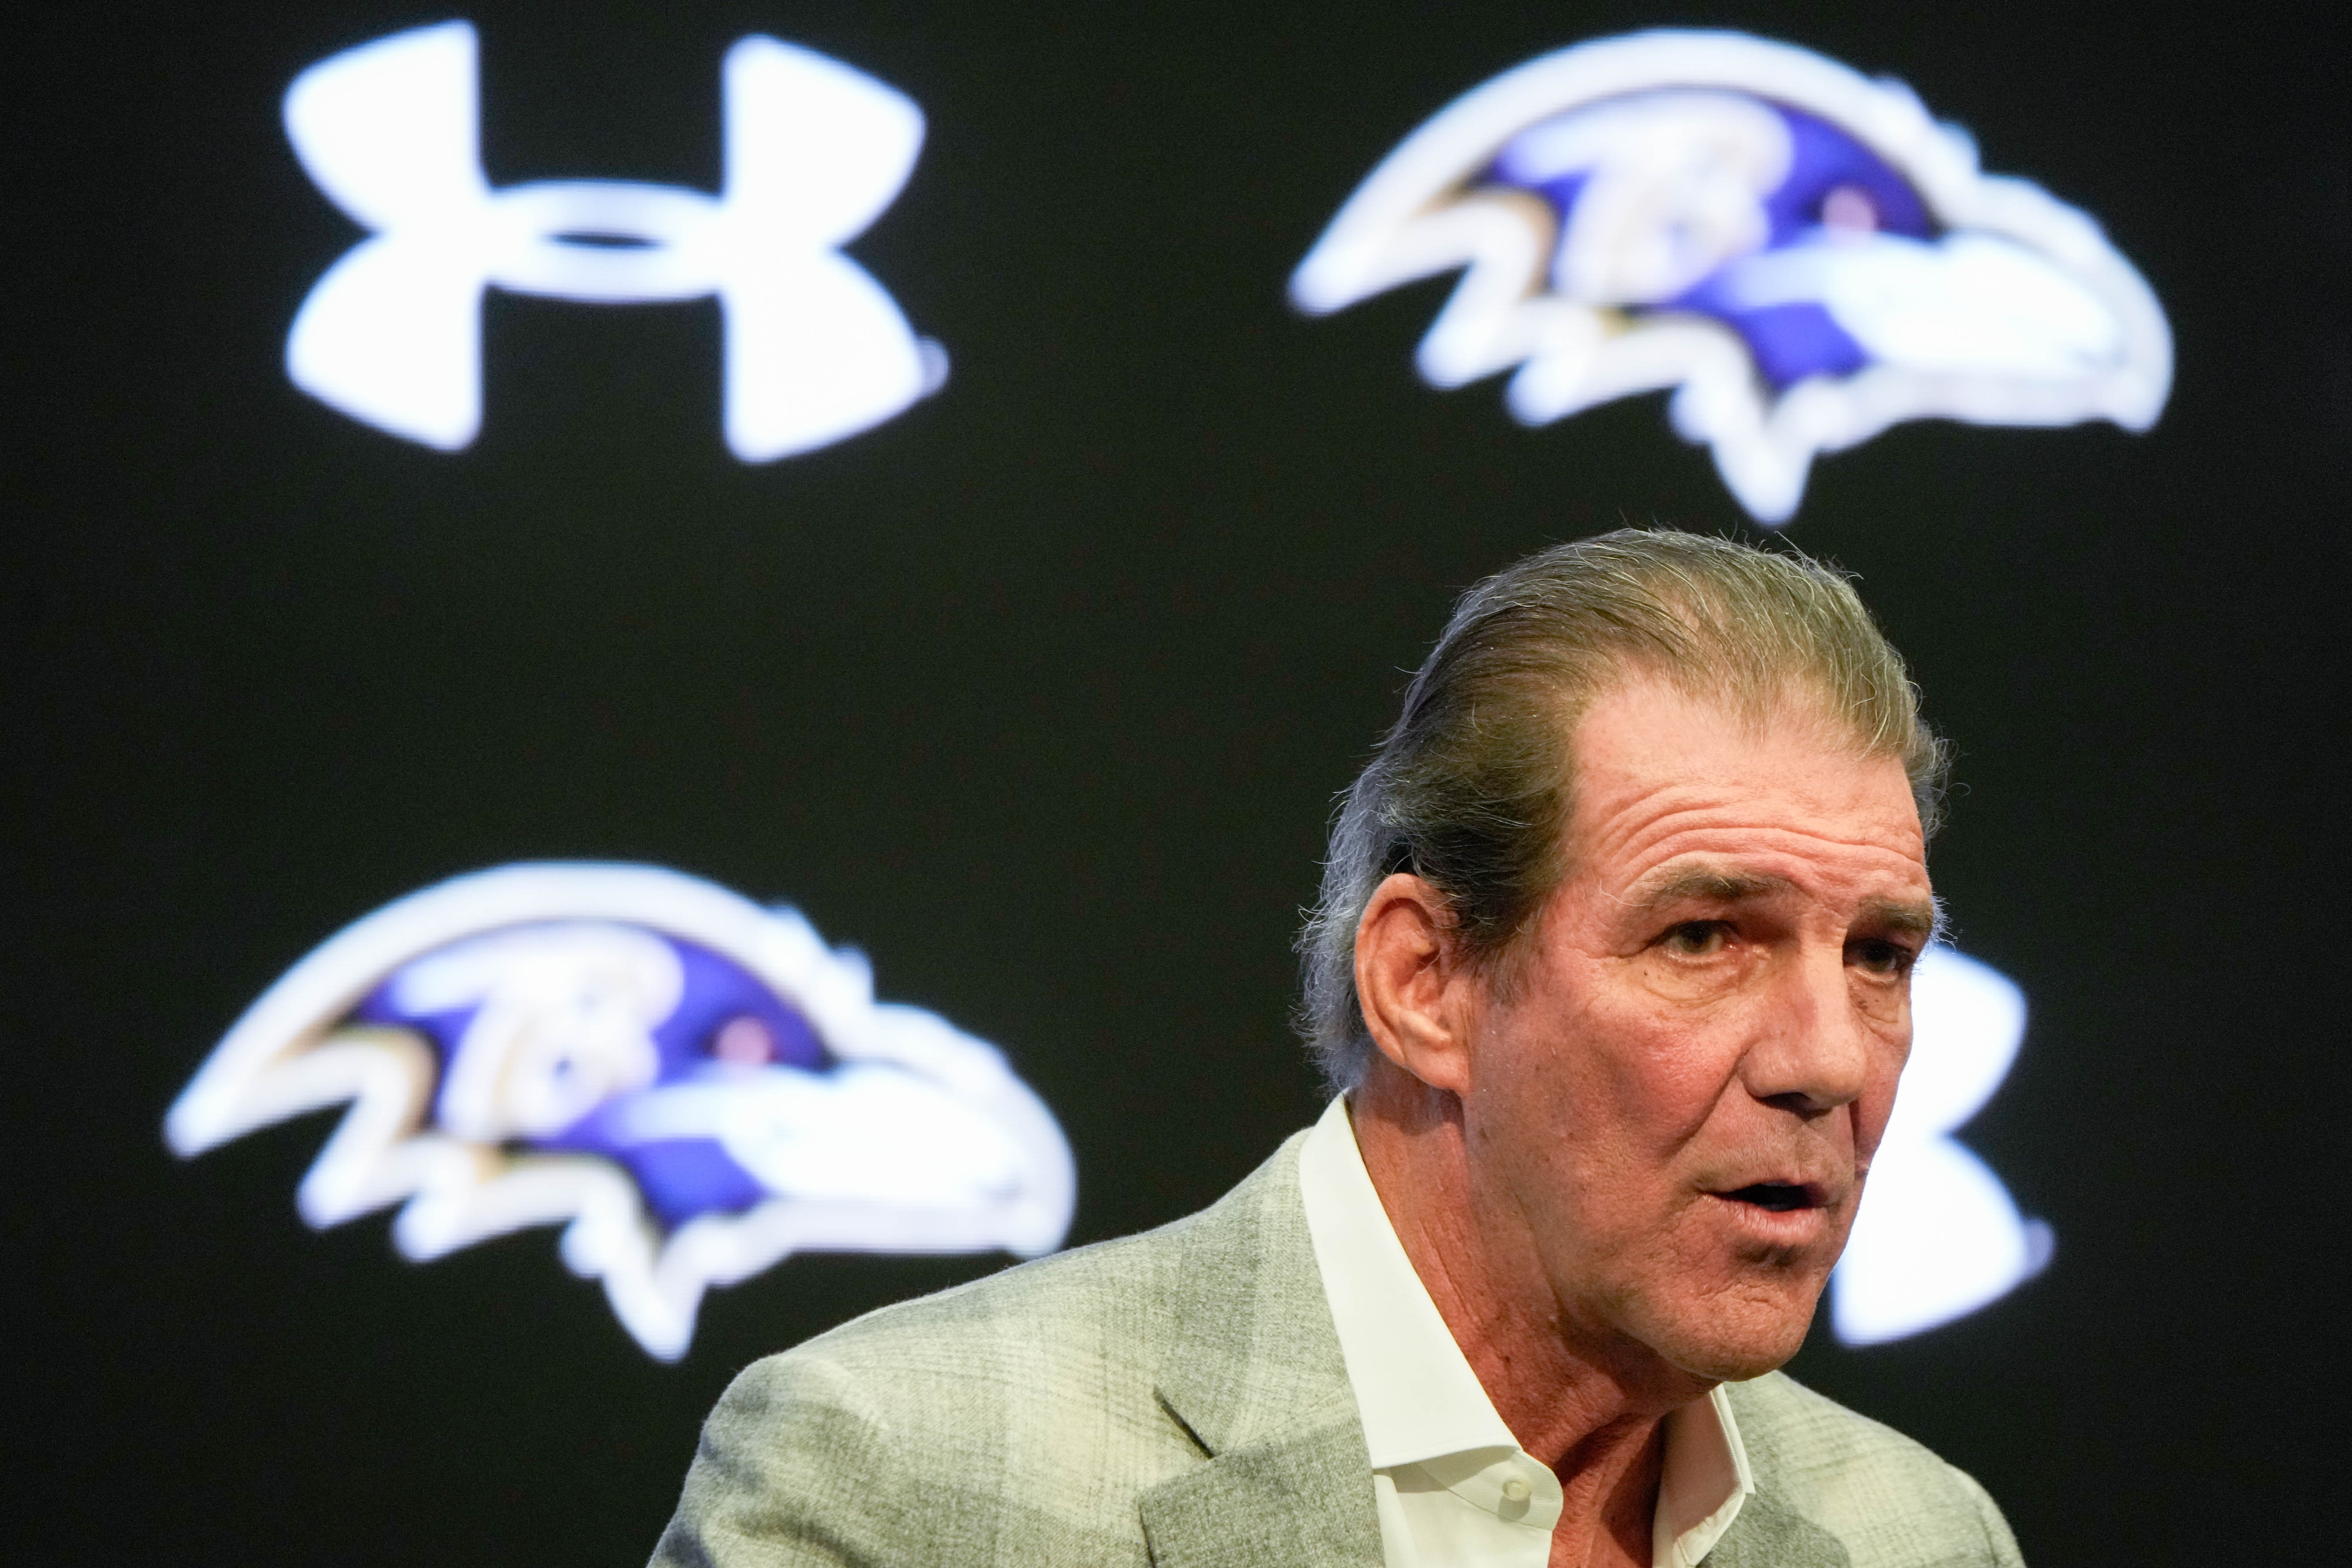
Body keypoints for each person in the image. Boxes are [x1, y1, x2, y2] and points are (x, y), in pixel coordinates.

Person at [649, 529, 2025, 1568]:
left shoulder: (1919, 1537)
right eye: (1704, 937)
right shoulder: (903, 1487)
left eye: (1880, 957)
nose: (1829, 1061)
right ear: (1427, 984)